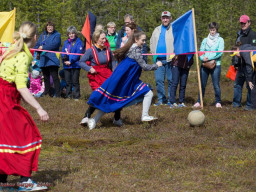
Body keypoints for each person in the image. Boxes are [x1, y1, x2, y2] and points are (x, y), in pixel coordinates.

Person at [0, 21, 49, 191]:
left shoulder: (12, 49)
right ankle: (25, 182)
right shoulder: (23, 55)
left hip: (4, 97)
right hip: (6, 100)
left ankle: (2, 183)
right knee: (29, 135)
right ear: (35, 37)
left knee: (4, 139)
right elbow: (21, 87)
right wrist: (39, 108)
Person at [86, 31, 162, 130]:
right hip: (125, 80)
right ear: (136, 39)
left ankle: (95, 120)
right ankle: (144, 115)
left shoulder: (133, 47)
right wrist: (157, 65)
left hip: (128, 79)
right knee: (147, 94)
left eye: (145, 40)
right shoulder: (136, 50)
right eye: (142, 40)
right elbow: (145, 66)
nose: (144, 42)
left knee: (113, 101)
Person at [79, 29, 122, 127]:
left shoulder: (108, 49)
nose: (104, 40)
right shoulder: (91, 50)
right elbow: (81, 62)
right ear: (96, 39)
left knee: (115, 94)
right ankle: (86, 116)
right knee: (98, 96)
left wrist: (115, 73)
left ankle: (117, 117)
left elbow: (112, 62)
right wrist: (89, 68)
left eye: (105, 38)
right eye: (102, 38)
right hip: (96, 77)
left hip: (107, 75)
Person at [193, 22, 224, 108]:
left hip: (216, 64)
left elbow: (220, 52)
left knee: (216, 84)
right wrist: (202, 58)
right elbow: (201, 51)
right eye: (211, 29)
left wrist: (210, 57)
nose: (212, 31)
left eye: (213, 30)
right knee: (202, 84)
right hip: (205, 64)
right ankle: (199, 101)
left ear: (216, 30)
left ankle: (218, 102)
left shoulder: (220, 40)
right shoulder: (205, 40)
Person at [150, 11, 174, 106]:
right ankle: (161, 99)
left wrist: (173, 56)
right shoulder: (156, 30)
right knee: (159, 80)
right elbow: (151, 42)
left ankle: (170, 100)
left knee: (171, 80)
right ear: (161, 19)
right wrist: (153, 54)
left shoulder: (173, 29)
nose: (165, 19)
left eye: (167, 17)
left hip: (170, 60)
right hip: (158, 60)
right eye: (163, 18)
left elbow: (177, 43)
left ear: (170, 18)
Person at [232, 15, 256, 109]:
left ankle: (250, 105)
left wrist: (241, 54)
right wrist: (234, 62)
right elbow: (235, 48)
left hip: (249, 65)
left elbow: (253, 51)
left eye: (244, 23)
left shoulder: (253, 35)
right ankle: (236, 104)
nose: (242, 24)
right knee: (237, 85)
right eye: (241, 23)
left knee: (250, 85)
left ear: (249, 23)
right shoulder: (239, 34)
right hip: (240, 64)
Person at [34, 21, 61, 97]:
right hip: (43, 59)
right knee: (45, 77)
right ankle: (47, 92)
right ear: (46, 27)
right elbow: (37, 44)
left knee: (55, 77)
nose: (50, 28)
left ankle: (58, 93)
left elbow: (55, 44)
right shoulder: (43, 35)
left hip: (52, 58)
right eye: (48, 26)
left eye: (51, 26)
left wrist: (43, 47)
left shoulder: (57, 35)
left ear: (53, 27)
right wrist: (37, 49)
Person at [61, 26, 84, 100]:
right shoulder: (66, 42)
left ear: (75, 34)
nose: (71, 35)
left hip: (75, 65)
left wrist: (71, 61)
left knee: (75, 82)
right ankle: (68, 96)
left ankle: (77, 96)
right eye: (70, 33)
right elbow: (62, 52)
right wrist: (64, 59)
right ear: (68, 34)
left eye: (73, 33)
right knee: (68, 81)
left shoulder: (79, 42)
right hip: (66, 66)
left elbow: (78, 53)